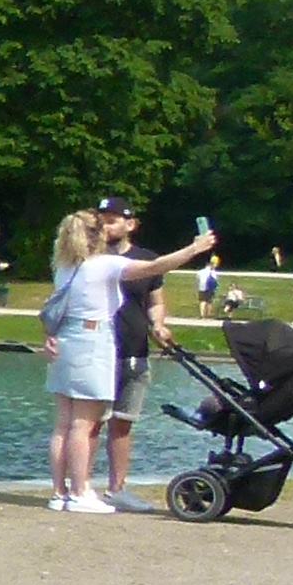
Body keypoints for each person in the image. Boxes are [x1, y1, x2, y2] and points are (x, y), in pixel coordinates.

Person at [42, 209, 216, 513]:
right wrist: (194, 249)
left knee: (63, 424)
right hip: (92, 342)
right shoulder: (104, 265)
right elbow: (156, 266)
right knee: (83, 423)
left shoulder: (65, 267)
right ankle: (81, 492)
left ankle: (60, 493)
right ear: (94, 235)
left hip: (66, 342)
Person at [100, 201, 164, 502]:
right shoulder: (91, 258)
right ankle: (79, 488)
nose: (106, 226)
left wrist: (159, 325)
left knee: (122, 422)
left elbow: (155, 302)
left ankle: (117, 488)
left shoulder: (146, 260)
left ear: (130, 224)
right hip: (97, 351)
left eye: (112, 221)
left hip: (134, 350)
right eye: (102, 220)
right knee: (87, 422)